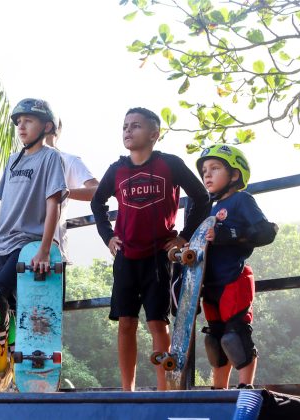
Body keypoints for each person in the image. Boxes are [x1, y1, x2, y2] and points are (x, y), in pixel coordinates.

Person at [91, 107, 210, 391]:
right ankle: (126, 390)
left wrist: (184, 237)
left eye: (136, 126)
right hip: (126, 256)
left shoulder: (169, 164)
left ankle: (164, 389)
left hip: (160, 258)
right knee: (126, 322)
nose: (128, 131)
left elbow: (202, 197)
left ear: (154, 134)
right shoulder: (117, 169)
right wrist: (108, 237)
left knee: (158, 323)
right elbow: (97, 204)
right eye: (125, 126)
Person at [0, 98, 68, 393]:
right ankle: (11, 356)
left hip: (28, 245)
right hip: (4, 246)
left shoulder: (51, 158)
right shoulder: (12, 161)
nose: (21, 126)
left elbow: (54, 206)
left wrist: (45, 247)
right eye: (18, 121)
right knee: (11, 308)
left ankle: (2, 353)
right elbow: (6, 210)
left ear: (46, 126)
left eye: (28, 120)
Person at [196, 144, 278, 389]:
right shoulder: (210, 209)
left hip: (233, 278)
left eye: (215, 168)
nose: (207, 174)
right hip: (209, 283)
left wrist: (229, 234)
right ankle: (218, 391)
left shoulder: (242, 199)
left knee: (236, 336)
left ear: (234, 175)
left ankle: (245, 389)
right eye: (204, 171)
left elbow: (266, 231)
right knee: (216, 339)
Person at [45, 119, 99, 261]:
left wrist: (62, 192)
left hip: (53, 249)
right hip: (17, 247)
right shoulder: (20, 162)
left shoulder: (69, 160)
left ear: (50, 126)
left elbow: (97, 190)